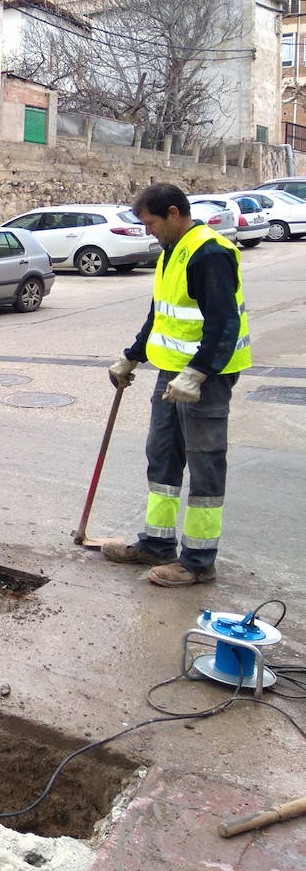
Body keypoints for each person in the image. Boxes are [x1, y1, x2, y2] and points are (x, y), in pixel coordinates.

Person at [103, 182, 251, 587]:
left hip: (206, 376)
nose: (147, 231)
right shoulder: (173, 249)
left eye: (150, 223)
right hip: (172, 371)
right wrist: (132, 355)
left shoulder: (209, 252)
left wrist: (198, 372)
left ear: (172, 213)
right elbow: (161, 314)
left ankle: (199, 562)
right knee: (163, 455)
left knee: (205, 463)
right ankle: (157, 544)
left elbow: (224, 322)